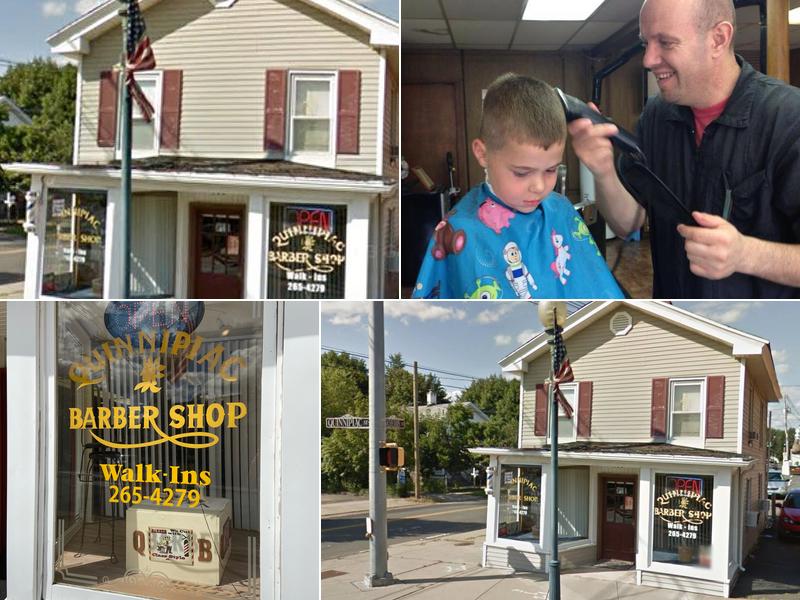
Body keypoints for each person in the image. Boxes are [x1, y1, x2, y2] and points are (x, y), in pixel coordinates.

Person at [569, 0, 800, 298]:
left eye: (666, 42)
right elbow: (628, 224)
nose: (648, 59)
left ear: (718, 38)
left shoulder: (788, 120)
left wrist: (746, 254)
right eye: (646, 43)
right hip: (677, 323)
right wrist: (602, 170)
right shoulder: (656, 117)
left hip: (760, 332)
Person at [412, 74, 623, 300]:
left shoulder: (561, 210)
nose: (539, 186)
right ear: (482, 154)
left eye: (551, 170)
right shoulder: (458, 230)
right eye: (522, 173)